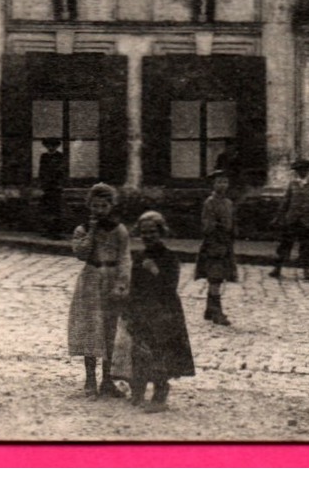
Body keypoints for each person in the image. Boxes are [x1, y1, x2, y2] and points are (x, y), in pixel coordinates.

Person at [114, 211, 196, 411]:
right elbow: (135, 286)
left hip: (163, 312)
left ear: (160, 232)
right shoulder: (140, 256)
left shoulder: (169, 257)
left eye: (152, 232)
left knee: (160, 353)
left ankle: (160, 394)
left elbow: (170, 286)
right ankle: (139, 391)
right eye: (144, 232)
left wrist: (155, 271)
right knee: (140, 351)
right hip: (142, 310)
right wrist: (128, 307)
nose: (148, 236)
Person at [68, 182, 131, 398]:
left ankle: (107, 380)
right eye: (95, 206)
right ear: (89, 206)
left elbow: (124, 257)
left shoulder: (119, 230)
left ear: (110, 206)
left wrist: (122, 283)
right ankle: (89, 379)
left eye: (103, 206)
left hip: (111, 280)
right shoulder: (82, 230)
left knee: (109, 331)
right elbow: (81, 254)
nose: (99, 210)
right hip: (91, 280)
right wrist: (92, 232)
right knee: (90, 329)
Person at [269, 158, 309, 280]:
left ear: (308, 172)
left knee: (305, 246)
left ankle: (306, 271)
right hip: (292, 219)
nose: (302, 173)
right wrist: (278, 217)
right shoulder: (292, 184)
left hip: (306, 220)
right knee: (285, 244)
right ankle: (277, 268)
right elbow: (285, 202)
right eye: (299, 170)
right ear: (296, 172)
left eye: (305, 170)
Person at [195, 172, 238, 325]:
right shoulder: (209, 202)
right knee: (215, 277)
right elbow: (207, 226)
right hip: (214, 244)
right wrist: (220, 230)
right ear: (213, 184)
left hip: (225, 244)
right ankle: (217, 312)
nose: (222, 185)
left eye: (225, 182)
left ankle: (209, 309)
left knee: (218, 278)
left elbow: (232, 222)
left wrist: (232, 232)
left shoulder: (228, 203)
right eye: (219, 182)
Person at [35, 139, 67, 238]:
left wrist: (60, 184)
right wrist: (41, 184)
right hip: (46, 187)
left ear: (57, 147)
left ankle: (56, 232)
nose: (51, 147)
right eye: (48, 145)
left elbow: (62, 172)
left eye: (53, 146)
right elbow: (41, 171)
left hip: (56, 187)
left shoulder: (60, 156)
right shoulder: (44, 157)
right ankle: (46, 230)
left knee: (56, 209)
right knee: (46, 209)